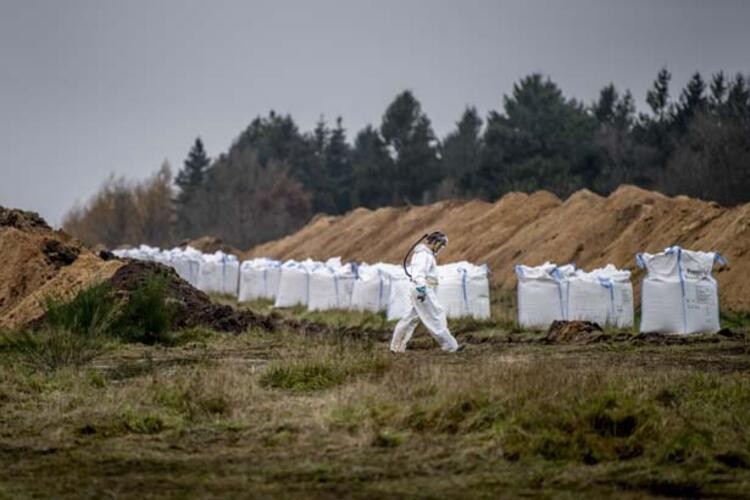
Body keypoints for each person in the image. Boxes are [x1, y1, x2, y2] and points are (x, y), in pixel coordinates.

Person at [390, 231, 462, 353]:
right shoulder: (424, 255)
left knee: (410, 319)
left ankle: (396, 347)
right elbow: (418, 273)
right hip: (422, 290)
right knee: (436, 316)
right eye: (440, 245)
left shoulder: (426, 255)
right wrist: (422, 290)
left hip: (420, 289)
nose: (441, 249)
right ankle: (451, 347)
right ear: (434, 242)